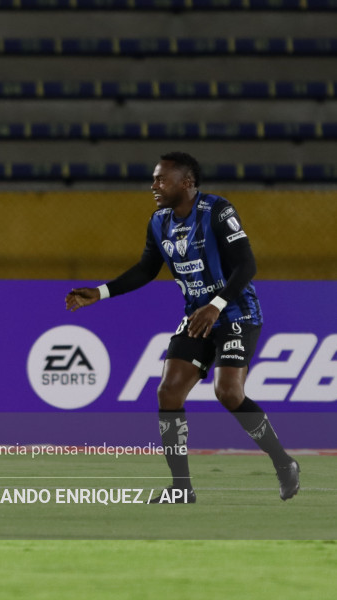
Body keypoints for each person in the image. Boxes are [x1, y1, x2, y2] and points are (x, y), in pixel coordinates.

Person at [65, 151, 300, 503]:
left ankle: (284, 464)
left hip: (236, 313)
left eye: (162, 179)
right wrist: (100, 292)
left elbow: (246, 264)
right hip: (196, 316)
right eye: (154, 179)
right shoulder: (159, 221)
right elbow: (146, 268)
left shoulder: (218, 211)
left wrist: (216, 304)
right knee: (168, 392)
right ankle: (181, 488)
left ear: (186, 183)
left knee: (229, 393)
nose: (154, 185)